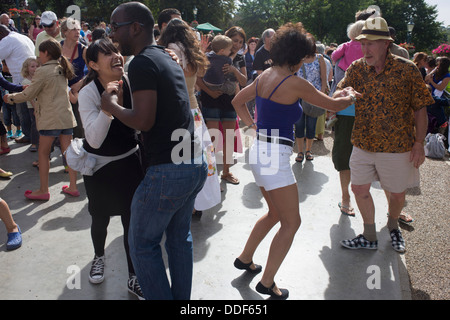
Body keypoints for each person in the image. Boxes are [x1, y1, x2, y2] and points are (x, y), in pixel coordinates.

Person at [231, 22, 358, 299]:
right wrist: (348, 95)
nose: (305, 62)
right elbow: (333, 106)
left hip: (260, 151)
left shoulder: (265, 74)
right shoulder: (295, 82)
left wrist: (253, 126)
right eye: (304, 57)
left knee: (276, 214)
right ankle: (266, 282)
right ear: (297, 56)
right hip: (274, 157)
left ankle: (244, 258)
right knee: (291, 222)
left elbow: (237, 102)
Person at [104, 1, 207, 300]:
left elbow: (143, 121)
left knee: (141, 246)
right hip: (192, 162)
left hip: (168, 171)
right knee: (178, 239)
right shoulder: (164, 56)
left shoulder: (143, 62)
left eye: (115, 27)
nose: (112, 35)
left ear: (135, 27)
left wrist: (111, 105)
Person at [335, 17, 434, 253]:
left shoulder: (406, 69)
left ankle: (392, 226)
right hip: (362, 143)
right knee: (359, 189)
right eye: (363, 43)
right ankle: (369, 235)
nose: (365, 49)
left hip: (397, 146)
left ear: (385, 44)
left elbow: (420, 108)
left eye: (371, 43)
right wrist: (345, 91)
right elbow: (340, 91)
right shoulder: (357, 67)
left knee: (397, 194)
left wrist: (419, 143)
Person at [77, 38, 144, 299]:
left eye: (116, 50)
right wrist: (108, 106)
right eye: (107, 54)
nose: (116, 55)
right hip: (101, 169)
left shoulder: (131, 79)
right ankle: (98, 257)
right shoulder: (88, 93)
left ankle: (133, 276)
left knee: (131, 221)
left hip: (130, 161)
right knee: (100, 218)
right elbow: (93, 139)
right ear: (93, 64)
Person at [3, 38, 79, 201]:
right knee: (69, 153)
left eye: (40, 53)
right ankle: (73, 186)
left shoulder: (43, 71)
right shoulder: (61, 68)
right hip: (66, 117)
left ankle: (43, 190)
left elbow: (29, 94)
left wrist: (10, 98)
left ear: (45, 53)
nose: (38, 57)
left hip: (50, 119)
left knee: (43, 154)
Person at [159, 18, 221, 214]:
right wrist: (200, 50)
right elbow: (200, 74)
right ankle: (197, 203)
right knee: (199, 157)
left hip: (175, 111)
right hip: (194, 111)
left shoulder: (168, 49)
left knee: (181, 159)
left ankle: (186, 204)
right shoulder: (191, 52)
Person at [197, 26, 248, 185]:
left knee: (228, 137)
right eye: (235, 41)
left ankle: (226, 172)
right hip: (210, 98)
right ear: (227, 39)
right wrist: (210, 92)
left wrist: (234, 69)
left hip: (230, 100)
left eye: (240, 42)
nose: (237, 44)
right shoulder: (210, 56)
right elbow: (198, 78)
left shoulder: (239, 58)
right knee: (211, 137)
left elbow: (244, 81)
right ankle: (208, 175)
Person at [330, 20, 365, 217]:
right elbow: (337, 92)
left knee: (361, 160)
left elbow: (333, 56)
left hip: (359, 115)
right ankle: (346, 197)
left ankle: (348, 198)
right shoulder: (355, 67)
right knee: (345, 158)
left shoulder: (345, 48)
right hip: (348, 113)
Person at [0, 25, 35, 145]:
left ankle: (29, 135)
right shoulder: (22, 36)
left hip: (21, 80)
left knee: (22, 110)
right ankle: (32, 136)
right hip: (31, 77)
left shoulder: (6, 41)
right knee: (31, 110)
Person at [294, 37, 327, 162]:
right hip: (299, 97)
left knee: (311, 125)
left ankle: (308, 151)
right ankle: (300, 152)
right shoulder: (297, 59)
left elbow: (324, 79)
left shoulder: (319, 58)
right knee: (299, 124)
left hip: (314, 96)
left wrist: (321, 95)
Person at [60, 17, 87, 139]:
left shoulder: (83, 49)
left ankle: (79, 153)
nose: (77, 32)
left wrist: (80, 83)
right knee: (61, 126)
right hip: (60, 91)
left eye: (79, 29)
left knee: (79, 126)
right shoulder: (57, 48)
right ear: (65, 32)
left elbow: (94, 71)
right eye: (73, 29)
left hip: (78, 91)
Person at [20, 57, 40, 152]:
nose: (35, 68)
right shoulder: (26, 81)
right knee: (35, 124)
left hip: (41, 105)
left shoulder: (39, 78)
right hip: (33, 106)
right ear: (27, 68)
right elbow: (30, 97)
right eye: (32, 66)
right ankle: (34, 143)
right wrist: (35, 108)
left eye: (37, 66)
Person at [425, 56, 450, 130]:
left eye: (438, 63)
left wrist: (431, 81)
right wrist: (433, 71)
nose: (437, 64)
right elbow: (426, 78)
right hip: (429, 95)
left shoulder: (447, 76)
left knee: (438, 116)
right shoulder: (435, 71)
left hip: (437, 98)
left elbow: (440, 87)